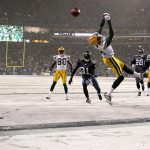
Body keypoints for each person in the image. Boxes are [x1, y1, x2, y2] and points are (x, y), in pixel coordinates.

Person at [88, 13, 142, 104]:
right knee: (121, 77)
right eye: (97, 38)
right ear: (97, 42)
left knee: (123, 66)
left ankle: (138, 75)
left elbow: (100, 27)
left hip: (110, 57)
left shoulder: (96, 40)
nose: (99, 36)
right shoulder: (102, 46)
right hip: (109, 59)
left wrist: (103, 18)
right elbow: (112, 34)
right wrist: (108, 21)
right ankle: (108, 94)